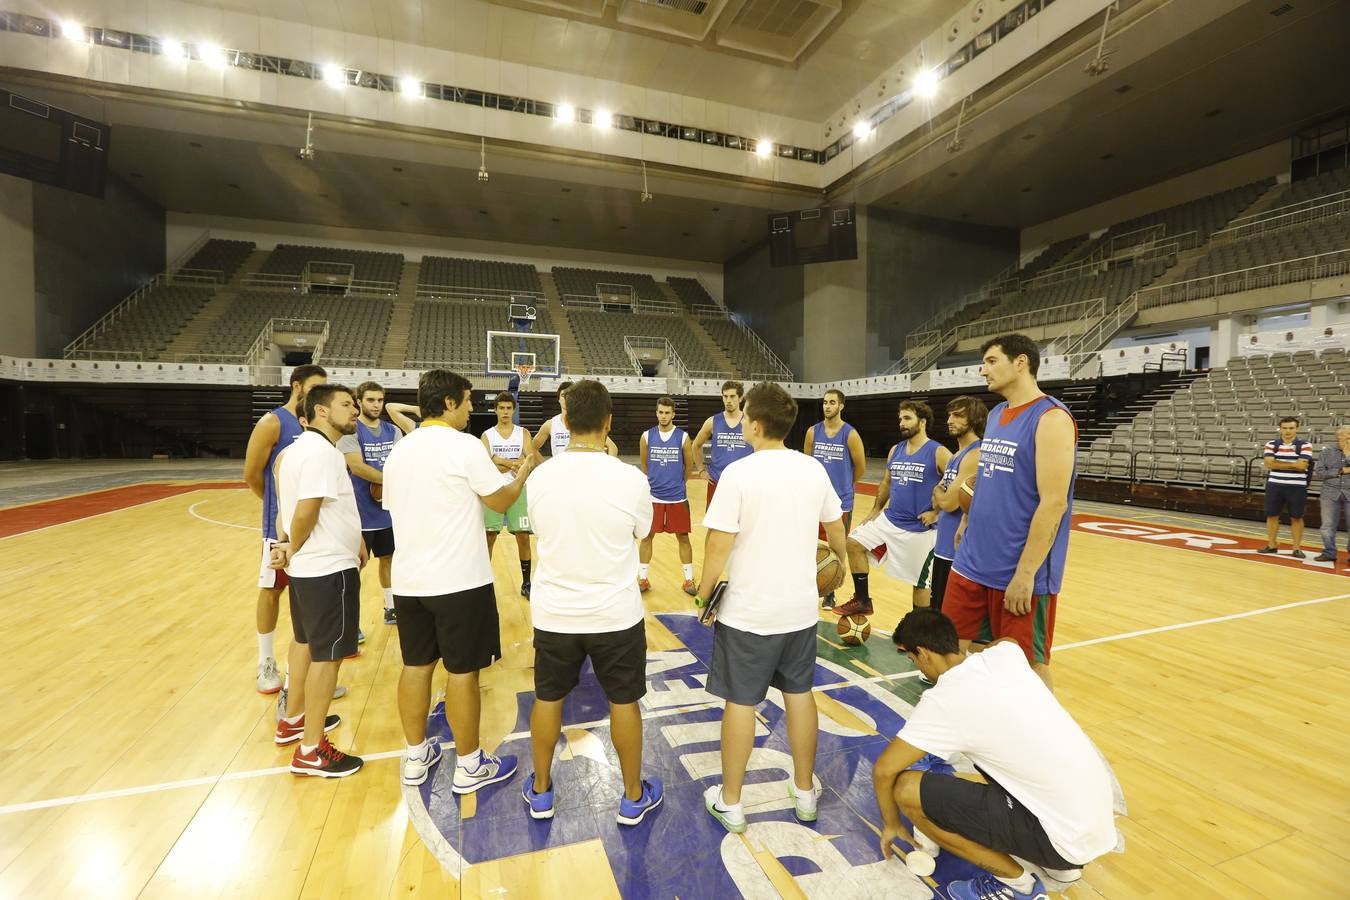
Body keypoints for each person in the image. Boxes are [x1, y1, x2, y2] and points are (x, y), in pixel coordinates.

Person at [873, 609, 1119, 900]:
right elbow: (1009, 640)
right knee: (999, 757)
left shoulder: (945, 699)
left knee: (906, 790)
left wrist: (892, 824)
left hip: (1061, 840)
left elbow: (884, 771)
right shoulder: (1004, 657)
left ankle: (1019, 886)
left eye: (913, 659)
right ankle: (1059, 866)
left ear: (924, 653)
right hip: (1096, 824)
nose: (918, 667)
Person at [696, 382, 848, 834]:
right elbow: (836, 527)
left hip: (750, 612)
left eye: (744, 415)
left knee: (740, 703)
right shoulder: (813, 469)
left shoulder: (739, 475)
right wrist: (839, 570)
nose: (741, 420)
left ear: (756, 425)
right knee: (800, 696)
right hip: (799, 610)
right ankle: (804, 792)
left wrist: (704, 595)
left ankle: (732, 802)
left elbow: (718, 543)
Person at [382, 369, 537, 791]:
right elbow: (501, 498)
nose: (472, 410)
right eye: (467, 401)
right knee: (463, 672)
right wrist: (522, 471)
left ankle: (415, 756)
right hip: (459, 581)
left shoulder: (399, 452)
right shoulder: (464, 446)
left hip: (410, 582)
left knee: (416, 666)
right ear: (449, 402)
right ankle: (469, 766)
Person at [522, 380, 663, 825]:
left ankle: (542, 791)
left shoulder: (541, 476)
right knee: (624, 702)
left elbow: (539, 533)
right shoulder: (631, 478)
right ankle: (632, 796)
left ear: (564, 422)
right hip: (615, 612)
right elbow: (644, 534)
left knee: (548, 699)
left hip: (555, 612)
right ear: (608, 422)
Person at [949, 334, 1076, 691]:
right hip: (974, 560)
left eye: (991, 361)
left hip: (1017, 570)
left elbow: (1054, 503)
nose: (983, 369)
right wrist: (967, 519)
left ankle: (1044, 742)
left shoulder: (1051, 418)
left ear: (1020, 362)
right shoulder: (995, 415)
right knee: (950, 653)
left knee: (1027, 669)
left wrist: (1025, 574)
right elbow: (988, 479)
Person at [270, 384, 365, 777]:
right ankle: (311, 750)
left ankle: (293, 719)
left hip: (308, 569)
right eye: (347, 404)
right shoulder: (324, 453)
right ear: (322, 412)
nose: (356, 410)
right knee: (329, 656)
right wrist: (292, 544)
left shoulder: (292, 453)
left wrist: (289, 545)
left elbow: (285, 510)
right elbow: (306, 510)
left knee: (304, 642)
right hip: (327, 569)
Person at [243, 363, 327, 693]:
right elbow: (251, 475)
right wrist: (280, 508)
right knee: (272, 589)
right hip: (278, 529)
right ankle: (265, 661)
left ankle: (305, 672)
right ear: (296, 387)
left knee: (308, 597)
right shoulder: (273, 422)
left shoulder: (318, 424)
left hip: (313, 529)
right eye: (314, 386)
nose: (321, 392)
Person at [836, 400, 950, 618]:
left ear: (923, 422)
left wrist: (938, 512)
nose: (902, 423)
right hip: (890, 520)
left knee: (920, 584)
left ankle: (918, 628)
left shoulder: (939, 452)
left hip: (920, 529)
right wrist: (876, 508)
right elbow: (887, 482)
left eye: (907, 418)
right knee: (854, 543)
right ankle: (862, 600)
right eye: (900, 419)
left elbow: (955, 485)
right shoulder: (895, 450)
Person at [338, 382, 415, 627]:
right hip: (359, 512)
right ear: (359, 402)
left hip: (388, 511)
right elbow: (357, 466)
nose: (376, 405)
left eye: (380, 400)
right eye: (371, 400)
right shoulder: (351, 431)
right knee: (354, 566)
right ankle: (350, 621)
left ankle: (391, 607)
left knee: (389, 559)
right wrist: (390, 480)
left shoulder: (393, 431)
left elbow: (404, 463)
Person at [803, 389, 866, 608]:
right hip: (814, 498)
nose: (827, 406)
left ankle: (831, 590)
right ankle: (809, 585)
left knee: (837, 547)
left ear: (841, 406)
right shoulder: (813, 432)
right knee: (810, 544)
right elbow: (808, 464)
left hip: (841, 501)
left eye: (832, 402)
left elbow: (861, 467)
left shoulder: (850, 434)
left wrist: (845, 485)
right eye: (824, 402)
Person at [929, 397, 986, 611]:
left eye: (959, 415)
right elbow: (936, 501)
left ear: (975, 419)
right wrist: (939, 494)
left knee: (951, 620)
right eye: (950, 414)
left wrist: (938, 489)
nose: (950, 420)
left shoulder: (974, 454)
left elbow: (949, 502)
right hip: (943, 547)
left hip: (958, 552)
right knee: (938, 612)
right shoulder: (956, 455)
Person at [638, 396, 697, 595]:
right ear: (656, 413)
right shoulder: (646, 436)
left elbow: (689, 467)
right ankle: (643, 578)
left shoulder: (683, 437)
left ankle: (689, 580)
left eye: (667, 412)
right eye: (660, 412)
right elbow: (645, 466)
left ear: (673, 414)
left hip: (677, 497)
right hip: (653, 497)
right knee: (647, 536)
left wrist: (678, 484)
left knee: (683, 537)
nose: (663, 416)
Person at [482, 391, 537, 598]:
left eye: (508, 408)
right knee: (489, 536)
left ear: (513, 410)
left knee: (523, 536)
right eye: (501, 408)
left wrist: (500, 461)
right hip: (494, 489)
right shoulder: (487, 435)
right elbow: (486, 463)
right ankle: (484, 583)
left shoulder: (522, 432)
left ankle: (526, 583)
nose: (505, 412)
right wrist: (515, 463)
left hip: (519, 488)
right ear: (495, 410)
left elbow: (530, 459)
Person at [690, 380, 753, 507]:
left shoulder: (750, 422)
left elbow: (760, 450)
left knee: (742, 524)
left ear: (740, 398)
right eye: (725, 396)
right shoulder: (712, 421)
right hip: (717, 482)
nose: (728, 400)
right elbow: (695, 445)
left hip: (743, 484)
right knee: (714, 525)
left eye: (732, 396)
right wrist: (701, 470)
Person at [1259, 416, 1314, 558]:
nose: (1287, 431)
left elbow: (1302, 465)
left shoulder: (1305, 445)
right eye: (1284, 428)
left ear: (1297, 429)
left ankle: (1296, 548)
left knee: (1296, 517)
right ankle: (1271, 545)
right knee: (1271, 515)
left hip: (1297, 487)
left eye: (1291, 428)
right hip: (1274, 485)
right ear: (1280, 429)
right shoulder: (1271, 444)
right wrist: (1293, 464)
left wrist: (1279, 463)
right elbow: (1269, 464)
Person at [533, 381, 618, 457]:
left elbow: (612, 447)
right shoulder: (550, 424)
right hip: (559, 471)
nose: (566, 399)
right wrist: (545, 465)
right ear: (558, 399)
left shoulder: (583, 421)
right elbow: (532, 447)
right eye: (563, 395)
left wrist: (609, 464)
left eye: (569, 396)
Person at [1313, 425, 1350, 563]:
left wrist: (1347, 455)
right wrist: (1340, 471)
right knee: (1328, 525)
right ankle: (1329, 552)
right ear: (1338, 436)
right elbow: (1319, 473)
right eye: (1348, 434)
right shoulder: (1326, 452)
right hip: (1329, 493)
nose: (1349, 437)